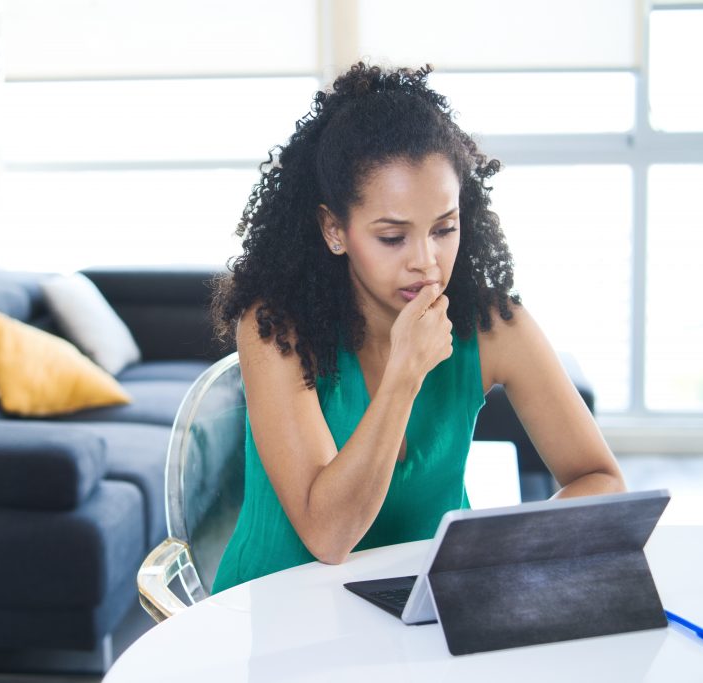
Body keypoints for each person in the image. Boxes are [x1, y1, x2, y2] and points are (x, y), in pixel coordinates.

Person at [210, 63, 625, 593]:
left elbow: (603, 480)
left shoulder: (495, 325)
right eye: (392, 237)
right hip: (275, 615)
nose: (426, 261)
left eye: (444, 228)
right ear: (335, 229)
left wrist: (501, 553)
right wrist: (405, 373)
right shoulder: (276, 328)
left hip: (427, 614)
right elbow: (329, 536)